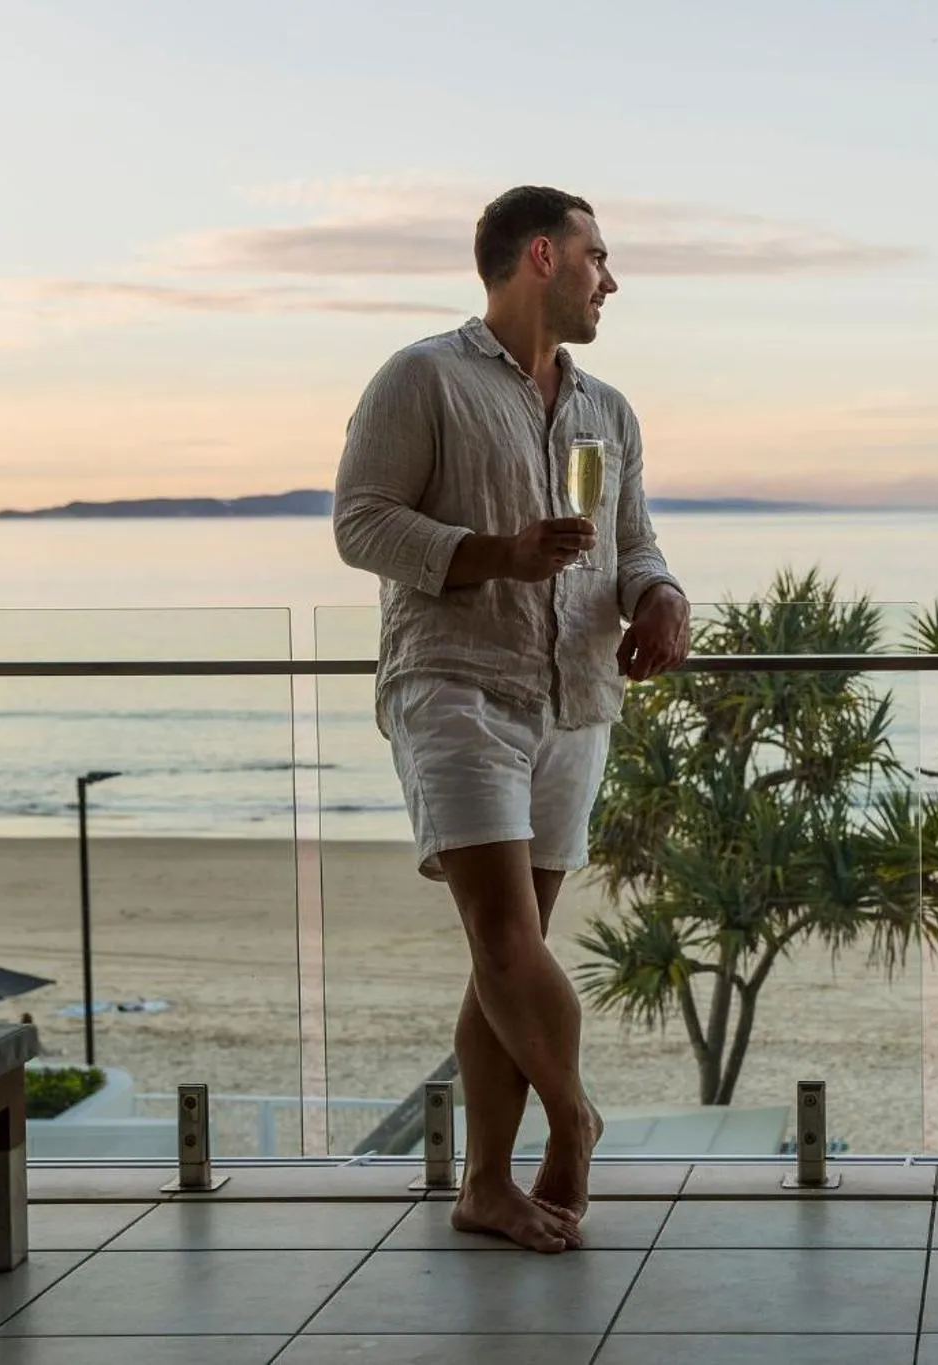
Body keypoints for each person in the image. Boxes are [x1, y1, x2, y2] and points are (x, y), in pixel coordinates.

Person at [333, 186, 690, 1253]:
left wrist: (662, 598)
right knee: (501, 934)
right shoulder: (422, 378)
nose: (610, 281)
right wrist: (496, 553)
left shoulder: (607, 410)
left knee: (506, 953)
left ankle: (484, 1183)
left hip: (575, 698)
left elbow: (633, 544)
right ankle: (574, 1119)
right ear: (542, 257)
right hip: (455, 685)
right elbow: (360, 525)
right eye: (598, 257)